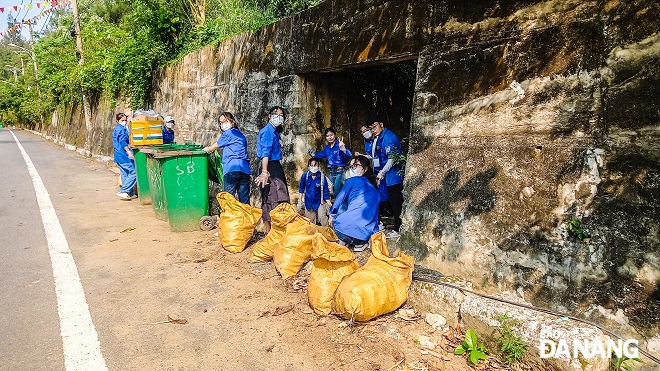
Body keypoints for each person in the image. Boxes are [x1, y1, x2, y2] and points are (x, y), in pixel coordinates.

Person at [329, 155, 380, 251]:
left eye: (356, 165)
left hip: (341, 232)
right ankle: (359, 245)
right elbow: (376, 214)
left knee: (342, 206)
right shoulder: (374, 189)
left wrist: (331, 215)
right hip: (363, 237)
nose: (352, 168)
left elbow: (339, 199)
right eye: (351, 166)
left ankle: (345, 240)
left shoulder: (351, 181)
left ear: (365, 169)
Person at [254, 106, 290, 233]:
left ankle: (272, 231)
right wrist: (265, 172)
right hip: (270, 167)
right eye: (276, 114)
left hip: (273, 166)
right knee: (274, 198)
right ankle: (271, 232)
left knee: (272, 197)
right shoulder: (268, 131)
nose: (278, 117)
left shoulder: (274, 131)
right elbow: (265, 152)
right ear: (269, 116)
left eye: (281, 115)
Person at [203, 112, 251, 204]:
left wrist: (207, 149)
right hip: (245, 170)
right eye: (221, 123)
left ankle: (229, 217)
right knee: (244, 201)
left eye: (225, 121)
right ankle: (247, 217)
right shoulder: (240, 134)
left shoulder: (229, 133)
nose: (223, 125)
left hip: (232, 169)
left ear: (232, 122)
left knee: (228, 200)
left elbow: (216, 146)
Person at [368, 115, 404, 237]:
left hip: (394, 176)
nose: (373, 130)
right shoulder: (380, 138)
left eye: (375, 126)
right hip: (388, 176)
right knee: (391, 201)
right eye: (371, 128)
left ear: (381, 125)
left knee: (396, 202)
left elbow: (392, 158)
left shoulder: (387, 137)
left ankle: (398, 229)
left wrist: (382, 172)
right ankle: (396, 226)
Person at [308, 128, 352, 197]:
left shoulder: (339, 145)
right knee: (330, 191)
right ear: (325, 138)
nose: (330, 137)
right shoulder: (327, 148)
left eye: (331, 135)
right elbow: (320, 155)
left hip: (340, 171)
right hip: (331, 172)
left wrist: (343, 149)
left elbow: (349, 155)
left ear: (335, 135)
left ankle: (339, 206)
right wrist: (313, 154)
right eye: (327, 136)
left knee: (337, 192)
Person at [359, 124, 391, 218]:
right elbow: (371, 156)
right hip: (376, 169)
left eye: (366, 130)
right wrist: (363, 155)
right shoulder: (367, 143)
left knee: (385, 190)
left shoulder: (380, 139)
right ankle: (383, 209)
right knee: (380, 189)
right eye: (363, 132)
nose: (365, 133)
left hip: (385, 168)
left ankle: (387, 210)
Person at [298, 158, 331, 226]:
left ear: (318, 166)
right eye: (312, 165)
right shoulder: (305, 176)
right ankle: (313, 235)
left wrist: (330, 204)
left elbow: (325, 193)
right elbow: (301, 189)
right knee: (309, 221)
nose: (314, 167)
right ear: (308, 167)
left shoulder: (322, 177)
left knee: (322, 217)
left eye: (315, 165)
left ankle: (327, 232)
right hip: (308, 202)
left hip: (319, 201)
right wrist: (300, 201)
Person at [112, 112, 136, 200]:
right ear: (117, 121)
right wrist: (129, 152)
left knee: (125, 174)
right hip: (123, 155)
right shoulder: (120, 129)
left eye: (125, 120)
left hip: (118, 156)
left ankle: (129, 193)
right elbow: (122, 141)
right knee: (134, 172)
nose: (124, 122)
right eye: (122, 120)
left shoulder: (119, 128)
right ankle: (124, 190)